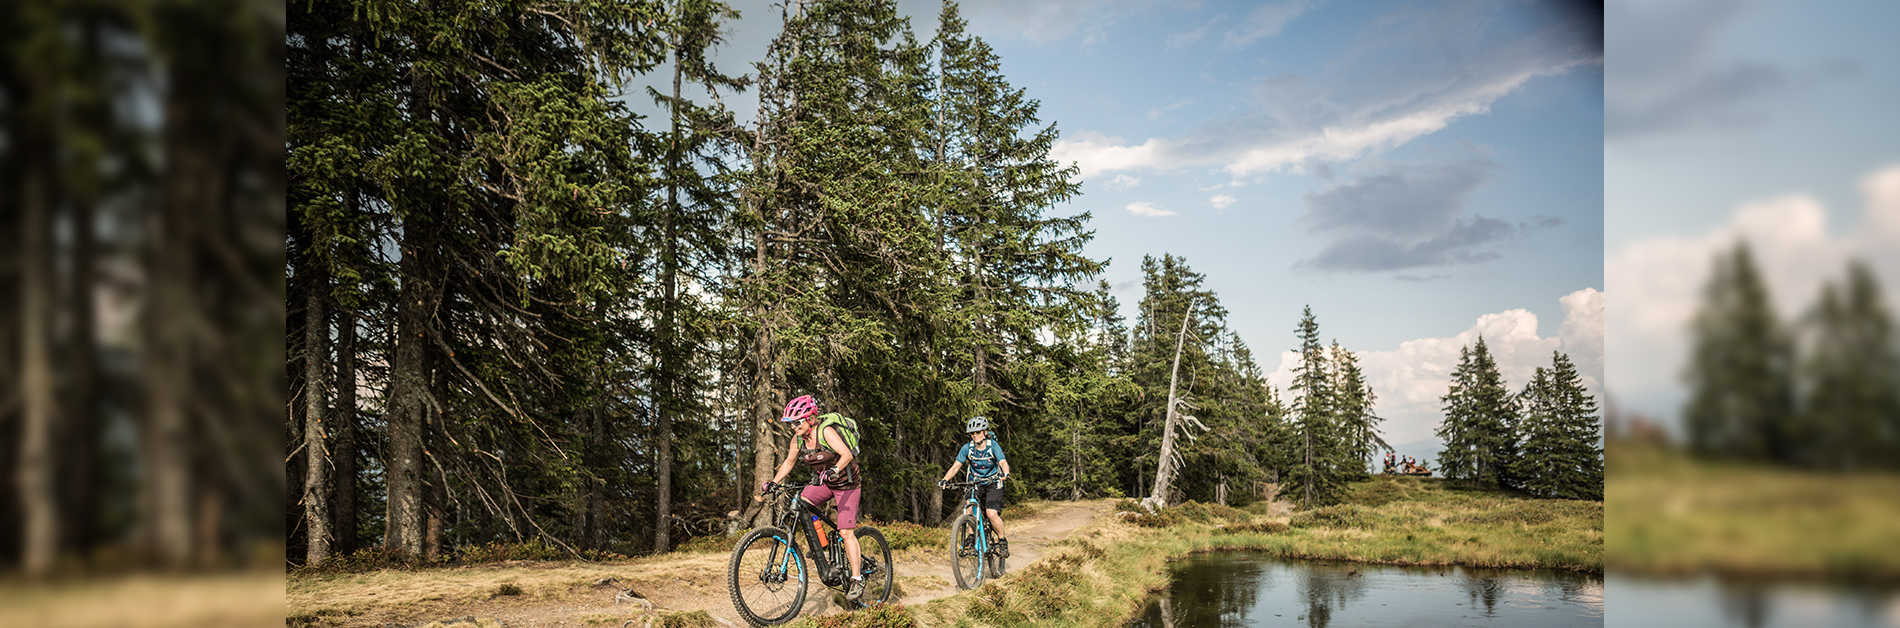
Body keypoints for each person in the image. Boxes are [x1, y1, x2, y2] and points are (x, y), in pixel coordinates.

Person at [761, 395, 867, 601]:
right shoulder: (798, 439)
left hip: (847, 484)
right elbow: (788, 463)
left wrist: (835, 469)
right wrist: (774, 482)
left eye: (797, 421)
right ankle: (822, 547)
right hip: (825, 483)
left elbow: (846, 455)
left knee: (845, 532)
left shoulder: (825, 431)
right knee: (802, 504)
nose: (794, 426)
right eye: (791, 423)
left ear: (810, 418)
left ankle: (857, 578)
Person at [936, 416, 1012, 558]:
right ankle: (971, 537)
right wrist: (945, 480)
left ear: (984, 432)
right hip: (975, 482)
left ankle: (1002, 541)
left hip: (994, 482)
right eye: (972, 433)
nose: (975, 436)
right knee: (969, 508)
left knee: (991, 514)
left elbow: (1002, 462)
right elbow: (955, 467)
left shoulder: (992, 446)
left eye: (978, 432)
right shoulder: (967, 448)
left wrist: (1006, 473)